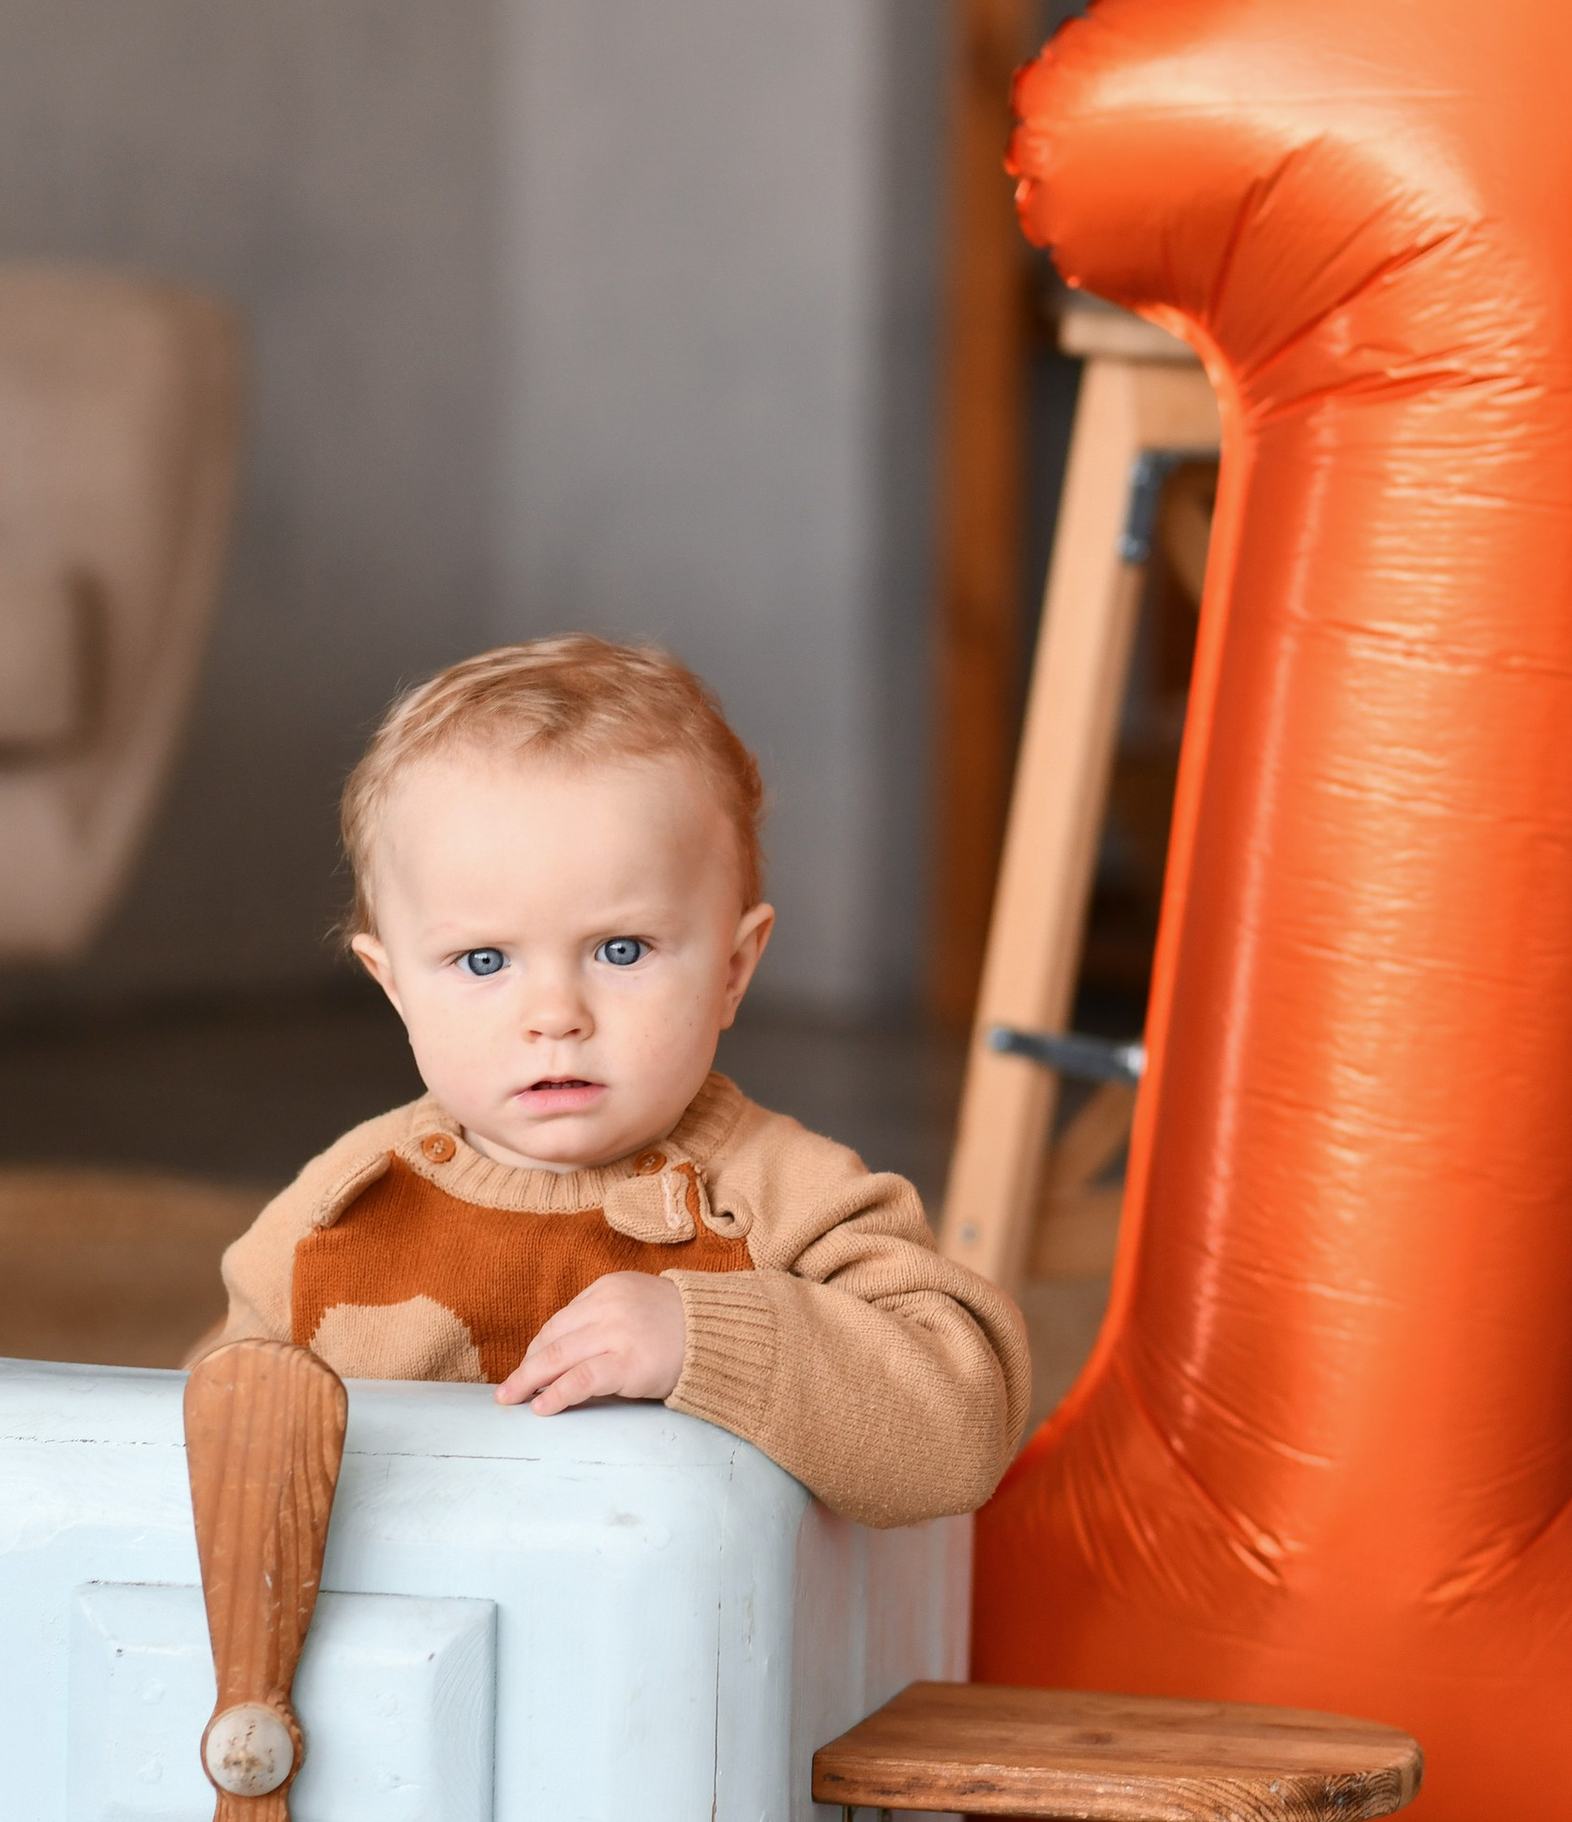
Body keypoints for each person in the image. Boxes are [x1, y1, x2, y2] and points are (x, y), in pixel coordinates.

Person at [213, 635, 1030, 1526]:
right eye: (484, 960)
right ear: (395, 986)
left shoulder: (788, 1199)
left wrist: (707, 1337)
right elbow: (212, 1447)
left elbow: (965, 1431)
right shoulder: (335, 1213)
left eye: (621, 950)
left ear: (732, 969)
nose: (556, 1014)